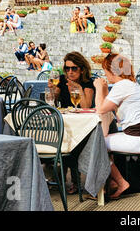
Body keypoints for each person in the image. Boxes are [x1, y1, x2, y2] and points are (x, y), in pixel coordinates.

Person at [93, 53, 140, 199]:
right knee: (102, 140)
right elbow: (112, 109)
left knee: (97, 143)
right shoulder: (130, 85)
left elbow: (100, 110)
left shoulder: (122, 86)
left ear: (113, 71)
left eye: (105, 70)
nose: (105, 74)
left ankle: (120, 182)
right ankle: (112, 183)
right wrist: (104, 91)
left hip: (138, 140)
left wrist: (97, 88)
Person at [48, 51, 95, 194]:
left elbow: (86, 106)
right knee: (61, 138)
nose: (70, 72)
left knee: (71, 142)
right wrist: (52, 90)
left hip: (83, 126)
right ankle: (58, 178)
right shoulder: (62, 80)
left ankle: (73, 181)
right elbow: (53, 102)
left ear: (81, 69)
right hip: (65, 122)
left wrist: (79, 89)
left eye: (74, 68)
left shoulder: (87, 83)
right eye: (67, 68)